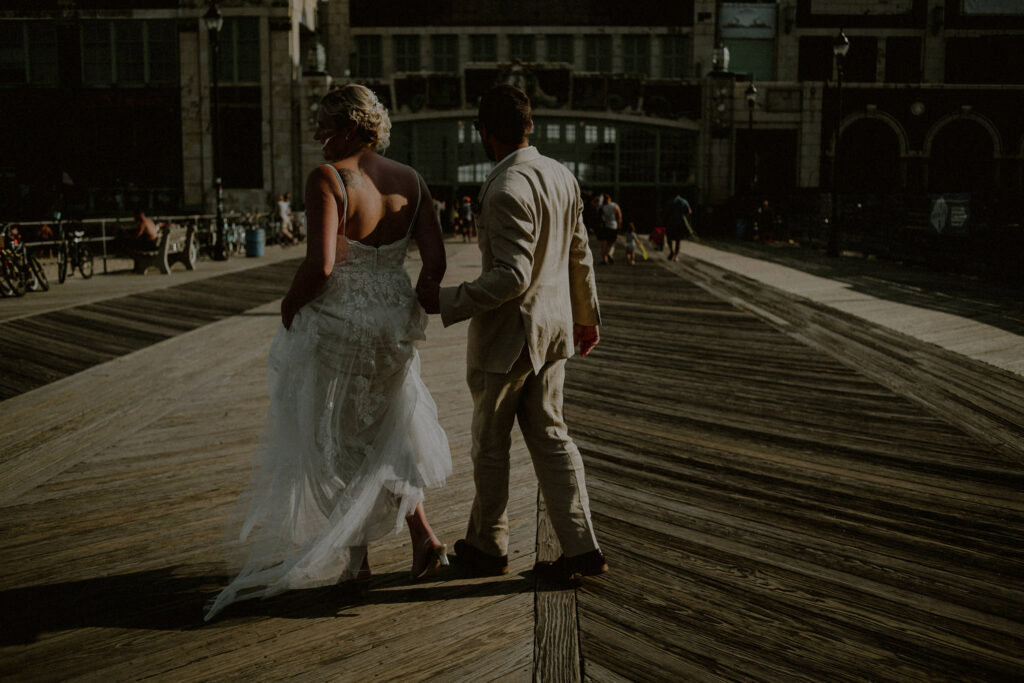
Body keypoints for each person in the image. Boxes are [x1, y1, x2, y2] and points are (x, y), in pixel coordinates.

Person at [204, 84, 452, 621]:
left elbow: (319, 266)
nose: (317, 135)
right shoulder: (411, 180)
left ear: (351, 126)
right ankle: (424, 537)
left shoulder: (331, 179)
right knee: (389, 429)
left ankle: (357, 562)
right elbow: (435, 260)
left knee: (339, 437)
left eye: (324, 125)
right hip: (394, 325)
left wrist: (290, 307)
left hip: (342, 323)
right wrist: (418, 296)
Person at [417, 84, 607, 584]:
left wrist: (447, 299)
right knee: (551, 436)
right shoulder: (561, 175)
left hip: (508, 339)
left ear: (485, 133)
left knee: (490, 444)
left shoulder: (504, 189)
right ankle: (581, 546)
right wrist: (586, 318)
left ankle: (489, 547)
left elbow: (512, 275)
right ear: (529, 127)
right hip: (554, 331)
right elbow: (579, 252)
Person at [665, 191, 692, 262]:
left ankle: (671, 251)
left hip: (670, 222)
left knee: (669, 238)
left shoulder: (670, 202)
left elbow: (666, 212)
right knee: (678, 240)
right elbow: (689, 211)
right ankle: (676, 256)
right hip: (680, 222)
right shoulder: (684, 201)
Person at [597, 193, 622, 265]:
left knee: (604, 244)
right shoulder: (615, 205)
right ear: (609, 198)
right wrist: (619, 226)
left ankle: (605, 259)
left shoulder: (602, 207)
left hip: (605, 227)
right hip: (613, 226)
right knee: (612, 243)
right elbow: (619, 216)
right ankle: (610, 254)